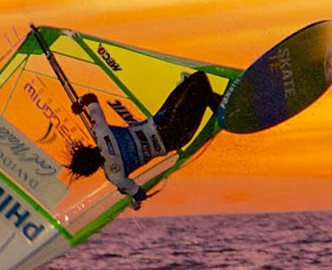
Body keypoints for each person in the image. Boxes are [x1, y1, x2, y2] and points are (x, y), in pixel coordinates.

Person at [65, 72, 222, 207]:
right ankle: (221, 108)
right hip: (169, 126)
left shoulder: (115, 176)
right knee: (198, 80)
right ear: (85, 149)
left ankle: (213, 101)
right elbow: (90, 98)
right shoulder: (100, 132)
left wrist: (131, 194)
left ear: (91, 171)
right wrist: (79, 104)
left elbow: (140, 194)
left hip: (175, 138)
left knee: (195, 88)